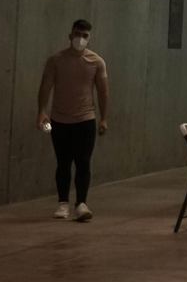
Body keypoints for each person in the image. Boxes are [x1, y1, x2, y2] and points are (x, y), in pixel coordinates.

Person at [37, 19, 108, 221]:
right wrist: (41, 111)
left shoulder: (96, 62)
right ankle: (62, 204)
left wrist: (104, 119)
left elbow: (103, 92)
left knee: (83, 162)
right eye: (77, 34)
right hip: (58, 120)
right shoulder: (56, 60)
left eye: (85, 35)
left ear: (89, 38)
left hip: (86, 120)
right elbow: (45, 86)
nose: (81, 39)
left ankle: (81, 204)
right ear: (70, 35)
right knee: (63, 163)